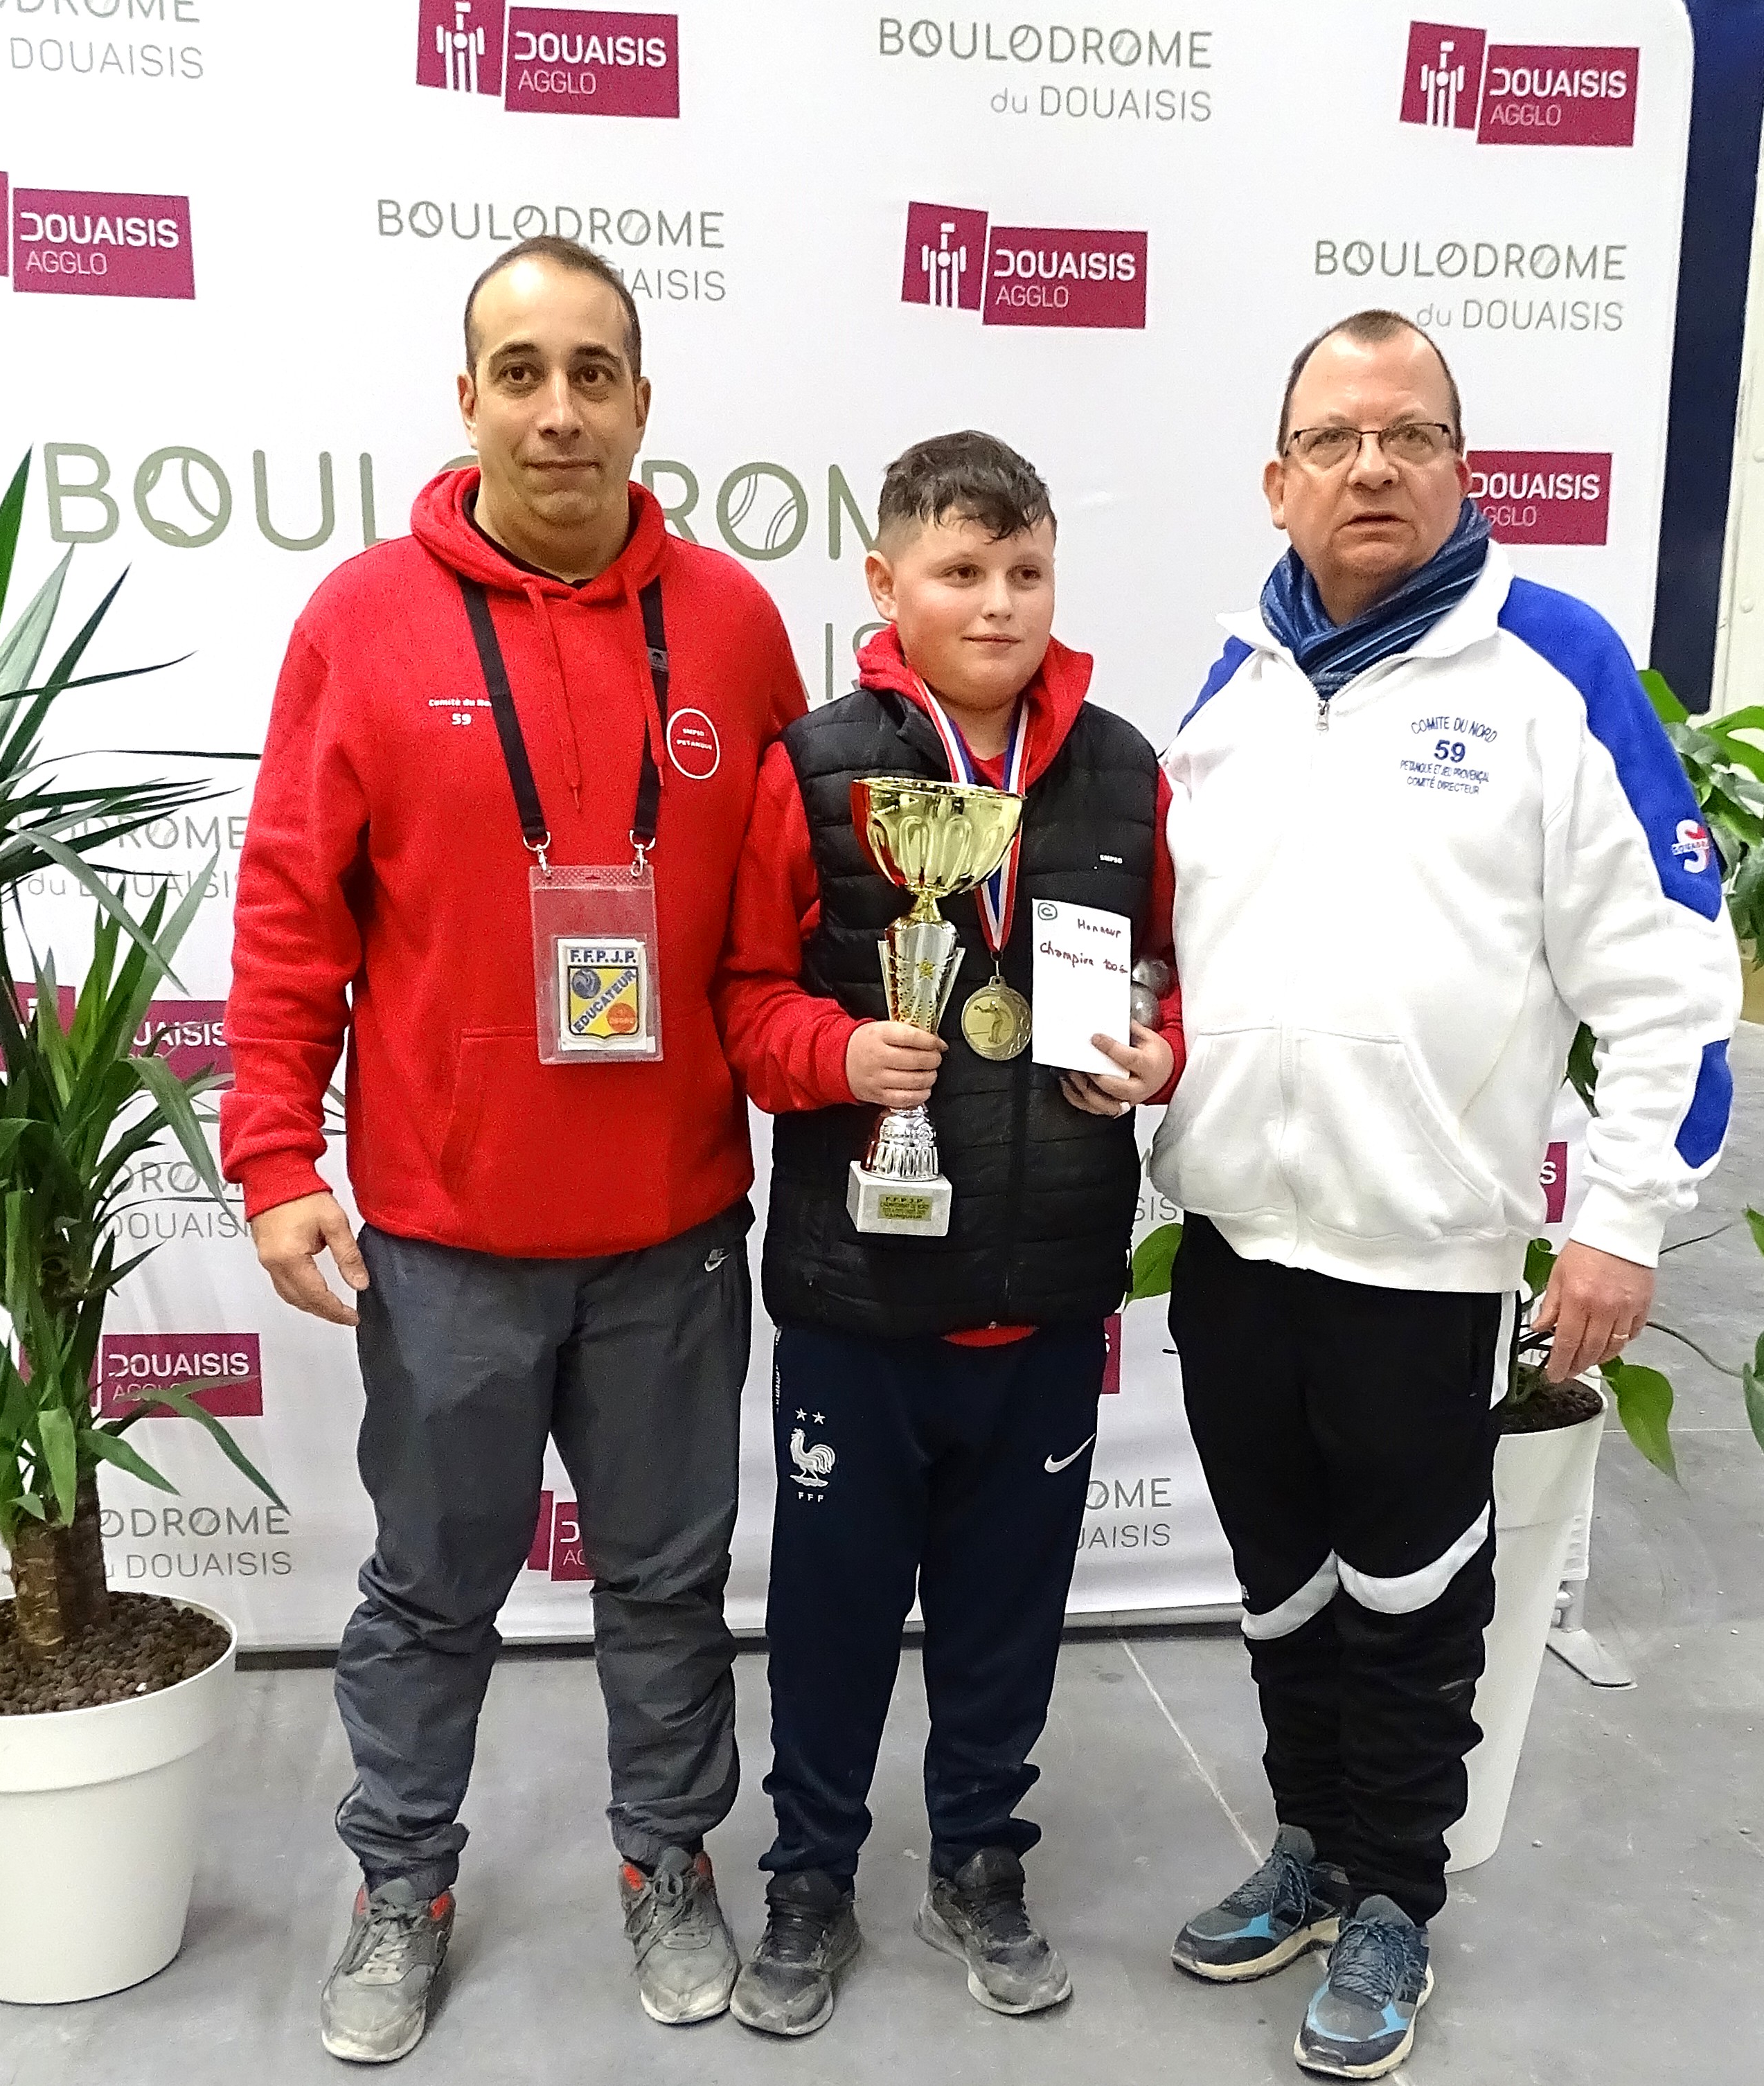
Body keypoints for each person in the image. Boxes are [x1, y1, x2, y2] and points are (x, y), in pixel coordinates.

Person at [220, 236, 806, 2062]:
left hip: (672, 1233)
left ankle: (665, 1859)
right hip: (448, 1236)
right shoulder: (364, 622)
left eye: (593, 373)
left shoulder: (732, 625)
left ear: (642, 403)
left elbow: (795, 913)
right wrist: (273, 1156)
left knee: (665, 1586)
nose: (560, 411)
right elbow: (290, 911)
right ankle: (400, 1881)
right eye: (523, 372)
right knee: (426, 1591)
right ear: (466, 398)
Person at [1152, 308, 1740, 2079]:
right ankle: (1310, 1847)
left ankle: (1396, 1892)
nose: (1374, 468)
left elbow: (1673, 975)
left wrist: (1620, 1220)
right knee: (1279, 1584)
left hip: (1422, 1253)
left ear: (1463, 468)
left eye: (1410, 436)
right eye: (1334, 441)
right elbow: (1177, 952)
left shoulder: (1552, 666)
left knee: (1414, 1598)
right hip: (1235, 1238)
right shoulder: (1236, 685)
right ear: (1277, 482)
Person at [713, 430, 1185, 2037]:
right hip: (861, 1296)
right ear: (886, 581)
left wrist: (1157, 1055)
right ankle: (810, 1873)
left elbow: (1165, 977)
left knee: (1008, 1611)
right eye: (961, 571)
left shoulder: (1120, 769)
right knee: (834, 1613)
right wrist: (836, 1053)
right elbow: (744, 998)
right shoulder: (813, 766)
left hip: (1044, 1291)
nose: (998, 604)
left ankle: (982, 1856)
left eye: (1025, 571)